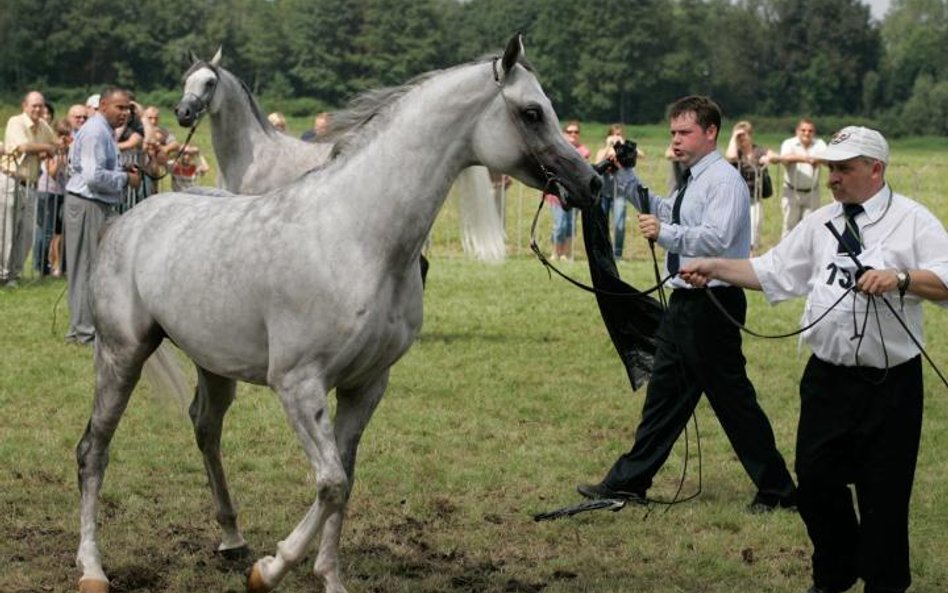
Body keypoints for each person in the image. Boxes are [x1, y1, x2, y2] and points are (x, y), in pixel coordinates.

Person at [680, 126, 948, 593]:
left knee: (884, 496)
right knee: (815, 482)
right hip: (826, 379)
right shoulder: (820, 222)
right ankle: (838, 568)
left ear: (875, 169)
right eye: (830, 168)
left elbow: (946, 280)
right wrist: (716, 266)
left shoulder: (913, 220)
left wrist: (900, 278)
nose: (833, 179)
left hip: (892, 386)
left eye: (844, 168)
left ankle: (884, 582)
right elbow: (773, 270)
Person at [577, 96, 796, 513]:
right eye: (673, 133)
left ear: (710, 132)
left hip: (712, 303)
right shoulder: (694, 179)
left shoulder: (724, 182)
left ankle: (779, 491)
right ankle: (628, 481)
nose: (675, 140)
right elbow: (667, 211)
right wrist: (629, 180)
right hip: (686, 304)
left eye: (684, 132)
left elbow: (715, 237)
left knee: (733, 401)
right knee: (664, 397)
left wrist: (666, 234)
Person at [64, 87, 141, 344]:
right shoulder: (96, 132)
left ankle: (82, 328)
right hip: (88, 202)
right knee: (86, 267)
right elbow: (93, 177)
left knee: (89, 266)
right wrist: (125, 178)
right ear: (104, 105)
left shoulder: (103, 130)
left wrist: (119, 169)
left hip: (91, 202)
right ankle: (84, 331)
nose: (126, 113)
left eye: (129, 108)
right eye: (120, 107)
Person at [2, 90, 58, 287]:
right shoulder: (15, 122)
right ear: (24, 106)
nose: (38, 109)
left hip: (31, 183)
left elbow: (55, 143)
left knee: (26, 232)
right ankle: (2, 274)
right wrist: (46, 148)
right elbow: (24, 147)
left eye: (41, 105)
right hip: (11, 180)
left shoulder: (43, 125)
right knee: (6, 230)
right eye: (34, 105)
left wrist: (56, 146)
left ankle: (14, 276)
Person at [767, 118, 827, 238]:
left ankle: (806, 256)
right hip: (791, 192)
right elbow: (785, 158)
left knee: (810, 228)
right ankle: (786, 256)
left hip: (812, 192)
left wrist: (817, 159)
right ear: (797, 131)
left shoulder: (820, 143)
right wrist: (807, 159)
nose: (806, 133)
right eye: (803, 130)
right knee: (789, 228)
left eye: (810, 131)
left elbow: (827, 159)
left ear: (814, 132)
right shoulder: (789, 143)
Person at [595, 124, 642, 261]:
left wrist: (622, 146)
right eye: (614, 134)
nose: (616, 137)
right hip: (604, 193)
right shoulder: (602, 151)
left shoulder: (624, 153)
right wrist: (609, 146)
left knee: (619, 225)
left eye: (619, 134)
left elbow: (641, 154)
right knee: (602, 226)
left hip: (620, 195)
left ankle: (617, 254)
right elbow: (597, 165)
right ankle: (603, 254)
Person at [33, 119, 72, 277]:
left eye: (67, 135)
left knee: (60, 232)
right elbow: (53, 172)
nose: (64, 139)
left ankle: (59, 266)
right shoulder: (49, 152)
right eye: (60, 135)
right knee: (46, 231)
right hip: (47, 192)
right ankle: (42, 267)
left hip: (61, 193)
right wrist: (61, 155)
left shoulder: (68, 151)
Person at [546, 120, 590, 261]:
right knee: (560, 225)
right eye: (569, 132)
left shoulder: (583, 151)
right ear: (564, 134)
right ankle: (555, 251)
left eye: (576, 132)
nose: (573, 134)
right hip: (557, 195)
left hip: (574, 195)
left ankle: (565, 252)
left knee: (570, 225)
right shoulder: (556, 150)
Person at [725, 120, 770, 252]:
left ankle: (750, 258)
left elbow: (773, 155)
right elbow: (730, 156)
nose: (742, 138)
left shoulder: (758, 151)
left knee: (753, 231)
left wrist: (768, 159)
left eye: (744, 135)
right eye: (739, 136)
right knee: (735, 232)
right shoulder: (735, 152)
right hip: (736, 199)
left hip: (754, 198)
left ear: (750, 135)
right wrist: (734, 137)